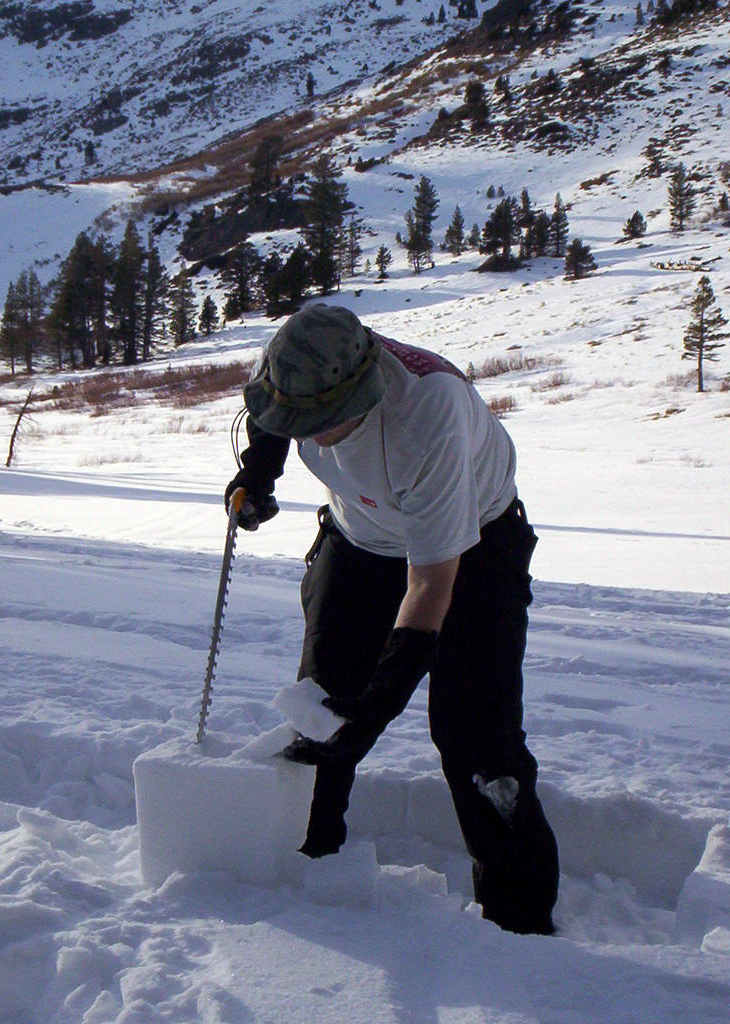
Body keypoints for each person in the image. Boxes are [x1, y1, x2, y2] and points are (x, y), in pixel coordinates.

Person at [225, 303, 559, 935]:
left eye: (322, 421)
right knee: (320, 713)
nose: (312, 433)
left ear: (366, 388)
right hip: (359, 539)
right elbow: (272, 411)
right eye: (299, 419)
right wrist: (260, 469)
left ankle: (520, 929)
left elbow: (432, 582)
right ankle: (307, 872)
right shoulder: (301, 363)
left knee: (476, 738)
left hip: (474, 547)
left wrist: (381, 701)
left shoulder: (428, 414)